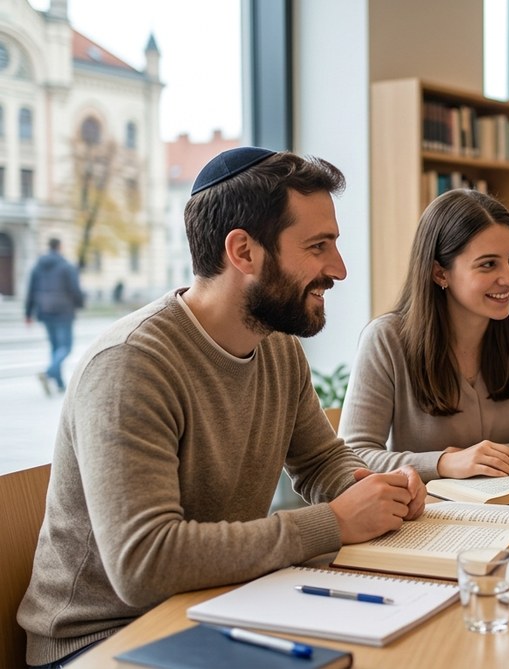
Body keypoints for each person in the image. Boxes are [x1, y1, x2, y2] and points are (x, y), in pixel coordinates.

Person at [19, 147, 428, 667]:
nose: (339, 269)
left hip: (218, 606)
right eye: (318, 246)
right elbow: (143, 563)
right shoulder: (130, 365)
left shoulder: (277, 346)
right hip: (102, 643)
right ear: (244, 252)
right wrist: (332, 524)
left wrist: (367, 490)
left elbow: (320, 461)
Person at [340, 189, 509, 481]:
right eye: (488, 264)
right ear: (439, 273)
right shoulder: (386, 339)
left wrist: (490, 459)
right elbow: (353, 456)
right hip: (429, 518)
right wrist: (445, 463)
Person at [24, 237, 84, 395]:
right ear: (60, 247)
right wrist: (80, 304)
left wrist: (28, 313)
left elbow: (31, 290)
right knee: (65, 347)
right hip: (64, 311)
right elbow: (75, 289)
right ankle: (49, 373)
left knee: (55, 347)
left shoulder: (37, 266)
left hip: (44, 310)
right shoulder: (66, 266)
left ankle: (59, 384)